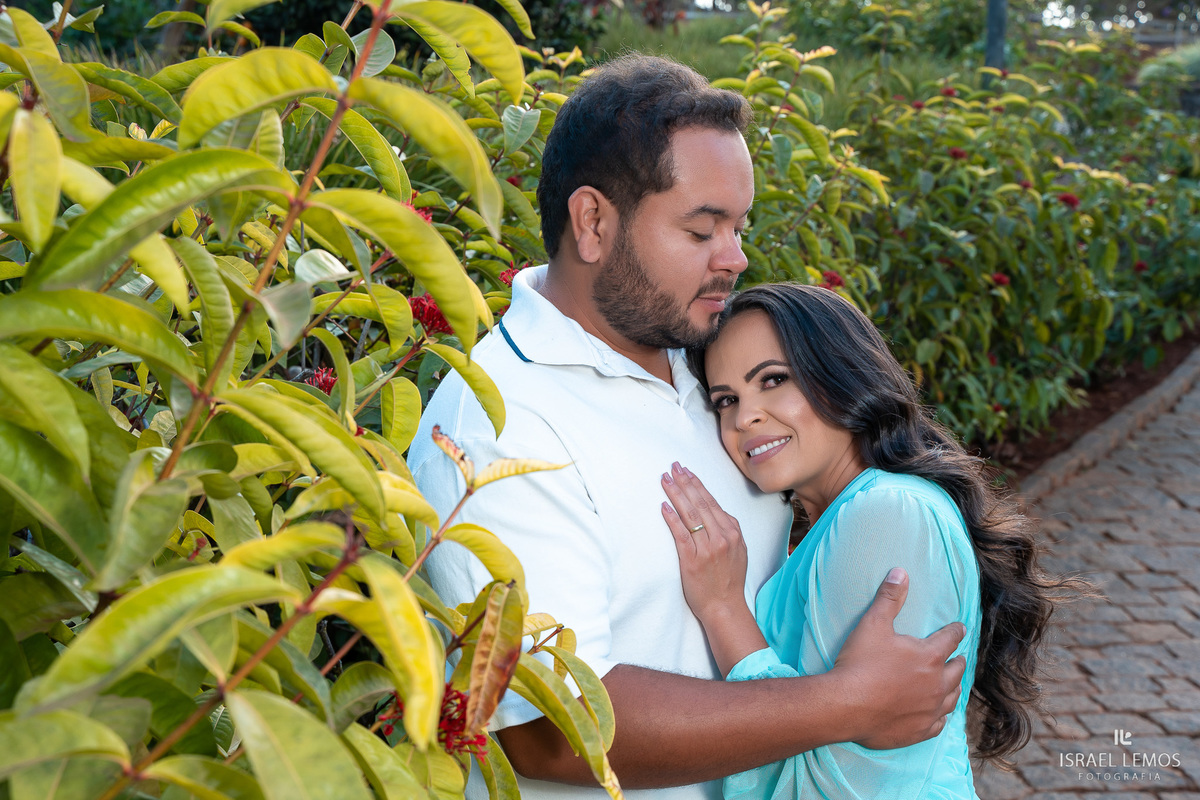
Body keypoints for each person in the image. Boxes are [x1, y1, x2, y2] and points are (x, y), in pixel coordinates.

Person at [409, 54, 966, 799]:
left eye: (739, 226)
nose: (735, 257)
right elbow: (548, 729)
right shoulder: (498, 422)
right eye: (703, 230)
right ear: (593, 222)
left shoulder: (718, 372)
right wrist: (848, 704)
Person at [660, 283, 1071, 799]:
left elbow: (833, 790)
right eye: (726, 400)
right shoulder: (853, 514)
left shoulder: (884, 513)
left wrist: (725, 611)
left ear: (840, 374)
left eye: (774, 379)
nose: (745, 418)